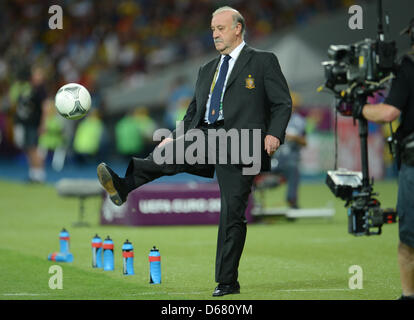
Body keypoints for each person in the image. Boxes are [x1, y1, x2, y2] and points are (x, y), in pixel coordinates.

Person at [97, 6, 291, 296]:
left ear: (238, 28)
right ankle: (124, 185)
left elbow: (282, 103)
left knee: (232, 214)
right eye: (212, 28)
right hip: (206, 137)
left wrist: (274, 133)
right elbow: (193, 114)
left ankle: (227, 282)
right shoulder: (206, 69)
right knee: (165, 155)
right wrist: (174, 138)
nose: (214, 33)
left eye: (220, 28)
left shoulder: (263, 61)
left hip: (243, 144)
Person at [360, 18, 414, 300]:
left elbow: (388, 113)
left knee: (409, 239)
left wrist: (359, 107)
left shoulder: (409, 65)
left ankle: (408, 295)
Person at [11, 65, 47, 182]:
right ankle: (33, 174)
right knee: (29, 148)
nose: (36, 76)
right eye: (35, 74)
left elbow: (45, 108)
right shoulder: (30, 88)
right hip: (27, 123)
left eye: (39, 74)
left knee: (33, 149)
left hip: (34, 124)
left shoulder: (41, 90)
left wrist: (43, 124)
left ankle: (39, 174)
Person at [271, 92, 307, 209]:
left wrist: (294, 137)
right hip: (272, 158)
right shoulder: (273, 117)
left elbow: (304, 142)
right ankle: (249, 203)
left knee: (293, 168)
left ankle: (292, 200)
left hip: (288, 160)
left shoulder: (299, 121)